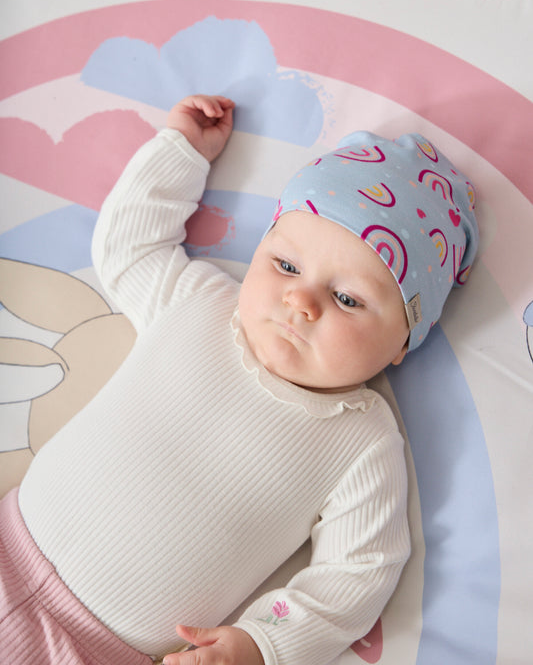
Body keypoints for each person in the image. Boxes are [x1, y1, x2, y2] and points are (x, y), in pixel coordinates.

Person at [0, 95, 479, 665]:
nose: (300, 300)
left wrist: (261, 644)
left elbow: (358, 573)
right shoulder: (199, 301)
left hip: (96, 652)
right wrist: (182, 151)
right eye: (286, 266)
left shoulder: (362, 443)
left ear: (404, 343)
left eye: (347, 299)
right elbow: (128, 247)